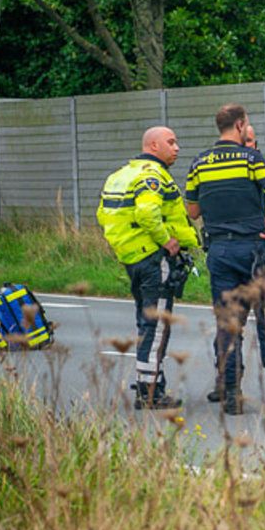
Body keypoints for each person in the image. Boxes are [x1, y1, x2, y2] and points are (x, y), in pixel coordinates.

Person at [185, 103, 265, 415]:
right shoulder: (251, 159)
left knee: (229, 324)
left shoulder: (198, 163)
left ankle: (232, 395)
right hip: (255, 248)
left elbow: (193, 211)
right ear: (241, 124)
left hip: (219, 252)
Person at [96, 126, 200, 410]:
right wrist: (168, 242)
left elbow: (102, 214)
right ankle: (150, 391)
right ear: (153, 146)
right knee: (156, 325)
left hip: (133, 257)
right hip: (155, 259)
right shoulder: (152, 176)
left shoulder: (120, 175)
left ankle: (148, 383)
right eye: (171, 142)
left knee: (145, 322)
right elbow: (146, 212)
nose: (177, 147)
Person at [204, 124, 265, 403]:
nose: (247, 146)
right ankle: (226, 383)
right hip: (237, 251)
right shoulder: (222, 170)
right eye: (243, 140)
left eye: (250, 142)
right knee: (230, 323)